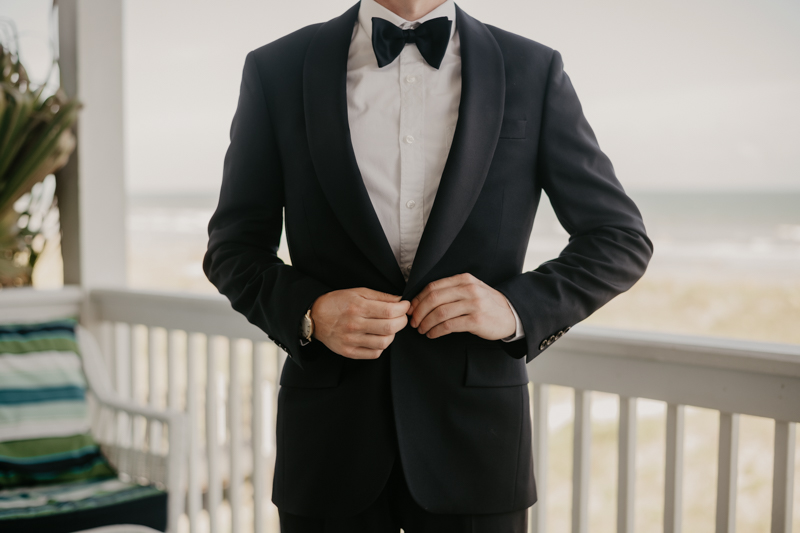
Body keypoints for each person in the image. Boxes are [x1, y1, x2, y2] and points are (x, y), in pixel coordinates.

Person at [204, 0, 653, 531]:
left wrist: (514, 308)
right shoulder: (276, 69)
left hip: (477, 450)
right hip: (329, 449)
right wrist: (310, 312)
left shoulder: (532, 68)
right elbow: (232, 248)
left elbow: (619, 238)